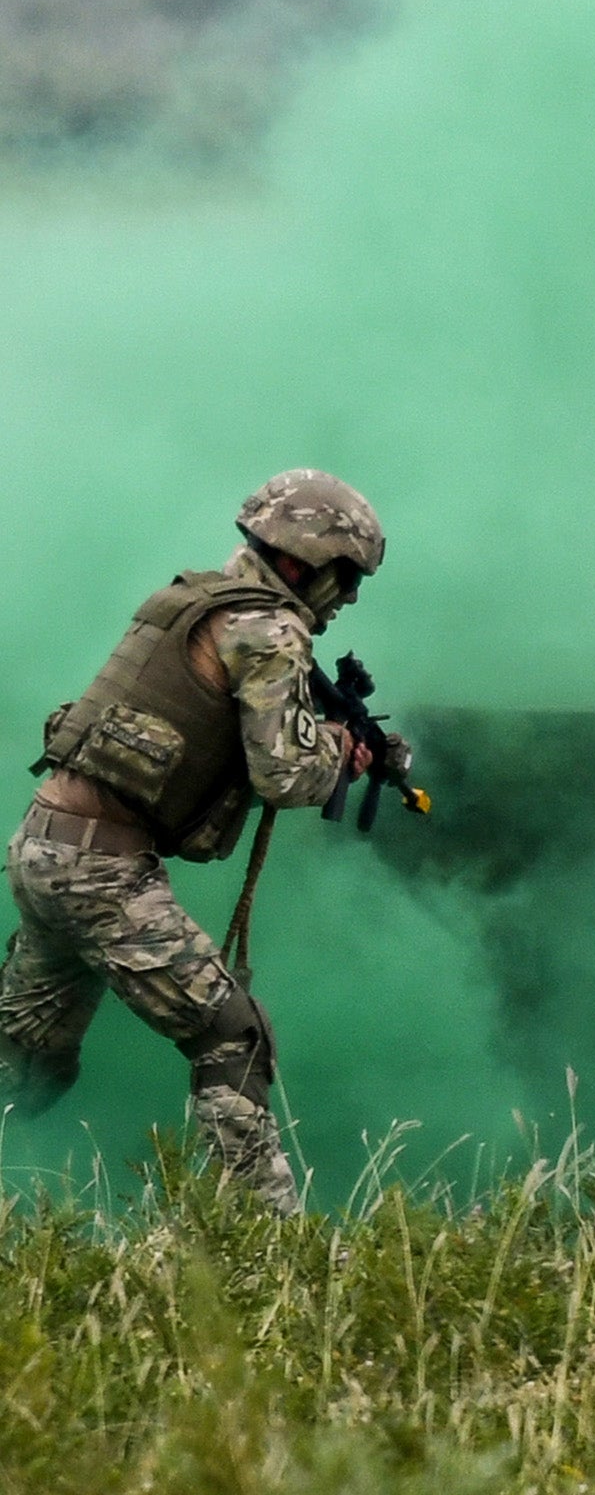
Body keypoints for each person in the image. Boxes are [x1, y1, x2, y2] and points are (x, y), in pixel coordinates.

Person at [0, 469, 398, 1214]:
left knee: (28, 1059)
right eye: (345, 577)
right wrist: (339, 752)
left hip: (42, 849)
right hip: (100, 870)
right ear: (305, 558)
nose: (346, 598)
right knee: (232, 1036)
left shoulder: (194, 601)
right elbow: (284, 774)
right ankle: (261, 1247)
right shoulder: (272, 629)